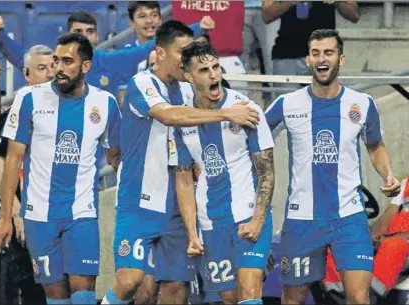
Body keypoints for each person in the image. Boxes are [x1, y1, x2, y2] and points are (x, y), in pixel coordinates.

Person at [101, 20, 259, 305]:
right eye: (182, 53)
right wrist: (227, 115)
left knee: (176, 289)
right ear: (160, 53)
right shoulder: (142, 83)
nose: (188, 61)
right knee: (132, 281)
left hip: (178, 206)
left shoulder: (188, 90)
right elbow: (170, 115)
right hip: (139, 201)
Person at [264, 29, 401, 305]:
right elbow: (252, 140)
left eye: (328, 52)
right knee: (292, 299)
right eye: (315, 53)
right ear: (307, 59)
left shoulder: (362, 104)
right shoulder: (287, 104)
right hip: (302, 219)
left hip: (349, 217)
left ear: (342, 58)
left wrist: (387, 175)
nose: (321, 59)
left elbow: (375, 145)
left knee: (360, 298)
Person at [0, 33, 122, 305]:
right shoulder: (29, 98)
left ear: (85, 66)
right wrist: (5, 217)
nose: (58, 68)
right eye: (56, 60)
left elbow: (116, 157)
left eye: (67, 61)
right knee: (56, 295)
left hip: (81, 213)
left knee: (83, 291)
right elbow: (12, 159)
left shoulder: (105, 104)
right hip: (39, 216)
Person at [168, 41, 275, 305]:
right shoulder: (183, 121)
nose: (214, 74)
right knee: (231, 298)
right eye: (204, 70)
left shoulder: (247, 109)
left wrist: (258, 222)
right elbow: (183, 179)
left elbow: (267, 173)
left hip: (248, 214)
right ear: (189, 76)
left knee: (250, 292)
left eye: (216, 67)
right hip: (211, 222)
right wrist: (193, 234)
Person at [0, 11, 208, 97]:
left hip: (102, 151)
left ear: (97, 37)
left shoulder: (112, 61)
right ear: (68, 36)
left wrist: (199, 27)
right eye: (78, 32)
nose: (84, 36)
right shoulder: (56, 64)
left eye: (89, 31)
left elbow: (149, 47)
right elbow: (23, 58)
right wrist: (0, 36)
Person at [0, 49, 53, 305]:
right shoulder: (17, 112)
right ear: (26, 75)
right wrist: (15, 212)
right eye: (41, 68)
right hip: (26, 221)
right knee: (30, 291)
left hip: (57, 218)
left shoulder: (68, 110)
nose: (50, 73)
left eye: (52, 66)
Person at [323, 176, 409, 301]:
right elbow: (386, 218)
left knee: (394, 246)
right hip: (389, 238)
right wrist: (373, 237)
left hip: (401, 243)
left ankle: (366, 297)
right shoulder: (406, 183)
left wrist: (389, 239)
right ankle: (339, 294)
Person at [262, 1, 360, 95]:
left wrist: (338, 1)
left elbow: (354, 15)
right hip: (287, 54)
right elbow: (267, 15)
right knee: (287, 109)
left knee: (325, 109)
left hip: (323, 55)